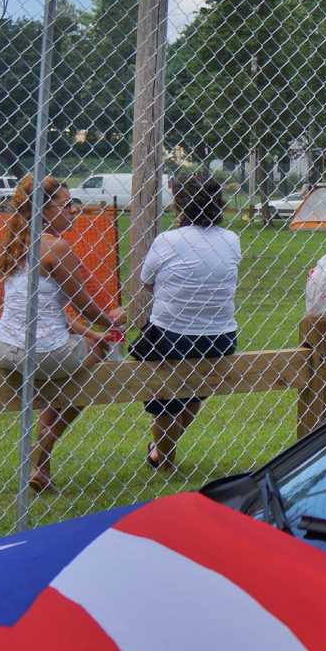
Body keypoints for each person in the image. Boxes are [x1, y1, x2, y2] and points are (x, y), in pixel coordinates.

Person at [0, 175, 121, 492]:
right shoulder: (57, 247)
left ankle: (41, 467)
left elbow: (53, 312)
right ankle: (40, 457)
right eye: (66, 204)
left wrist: (92, 333)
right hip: (44, 353)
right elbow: (86, 306)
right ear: (44, 211)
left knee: (80, 357)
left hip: (3, 348)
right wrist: (112, 321)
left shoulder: (18, 242)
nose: (73, 210)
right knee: (85, 378)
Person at [133, 173, 240, 471]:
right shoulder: (231, 239)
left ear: (180, 204)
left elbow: (147, 282)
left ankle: (164, 457)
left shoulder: (167, 240)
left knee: (165, 397)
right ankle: (162, 450)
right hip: (221, 339)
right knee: (193, 390)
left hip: (171, 336)